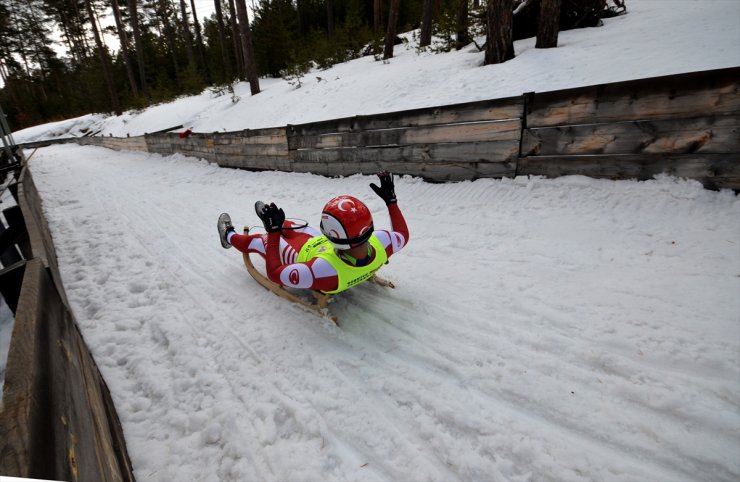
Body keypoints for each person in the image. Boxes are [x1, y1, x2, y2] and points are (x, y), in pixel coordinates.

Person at [217, 171, 409, 294]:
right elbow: (402, 233)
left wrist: (273, 234)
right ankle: (274, 220)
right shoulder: (382, 242)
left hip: (302, 255)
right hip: (320, 246)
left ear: (333, 234)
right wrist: (391, 201)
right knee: (291, 225)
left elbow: (275, 274)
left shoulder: (321, 272)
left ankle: (228, 235)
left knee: (260, 241)